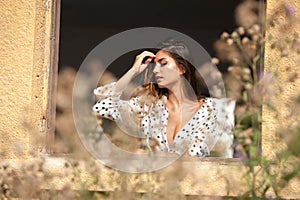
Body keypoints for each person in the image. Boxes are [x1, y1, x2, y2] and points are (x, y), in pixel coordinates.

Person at [93, 39, 235, 158]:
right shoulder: (149, 108)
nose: (155, 70)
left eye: (163, 63)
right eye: (155, 65)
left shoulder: (211, 110)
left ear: (181, 68)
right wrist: (133, 71)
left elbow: (221, 155)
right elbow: (103, 105)